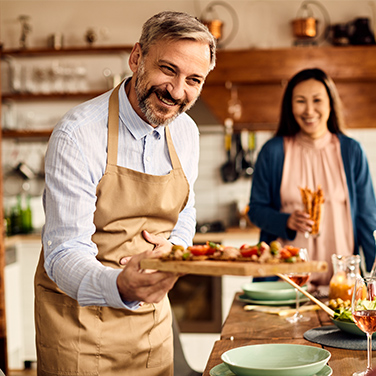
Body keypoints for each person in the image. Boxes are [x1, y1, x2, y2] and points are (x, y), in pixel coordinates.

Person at [34, 11, 216, 376]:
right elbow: (63, 252)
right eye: (168, 69)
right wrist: (121, 285)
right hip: (79, 329)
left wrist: (176, 249)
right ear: (137, 58)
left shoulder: (186, 133)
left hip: (152, 327)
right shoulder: (79, 134)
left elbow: (185, 212)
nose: (177, 91)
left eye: (193, 79)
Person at [248, 68, 376, 290]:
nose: (309, 110)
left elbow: (367, 219)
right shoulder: (273, 151)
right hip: (286, 283)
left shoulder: (351, 151)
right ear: (290, 106)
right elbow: (256, 210)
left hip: (341, 282)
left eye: (317, 100)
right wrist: (285, 221)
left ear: (330, 104)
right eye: (300, 101)